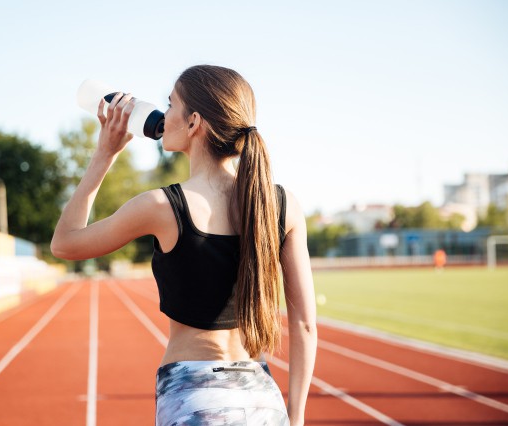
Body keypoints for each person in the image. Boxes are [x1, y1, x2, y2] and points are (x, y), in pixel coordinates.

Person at [51, 65, 317, 425]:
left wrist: (104, 155)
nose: (163, 114)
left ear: (193, 123)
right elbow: (304, 325)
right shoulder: (283, 205)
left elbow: (65, 244)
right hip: (262, 400)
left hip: (193, 398)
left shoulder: (161, 207)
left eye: (170, 103)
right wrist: (296, 416)